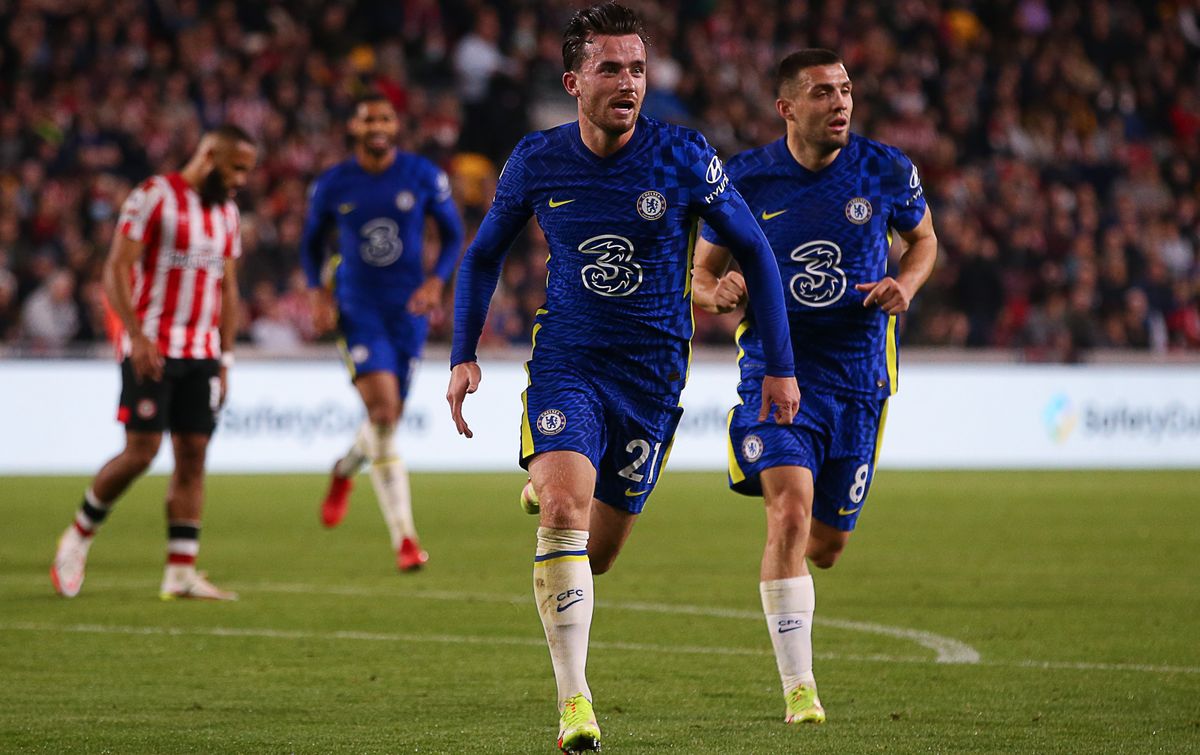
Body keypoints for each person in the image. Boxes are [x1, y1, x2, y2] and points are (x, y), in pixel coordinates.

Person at [446, 4, 800, 752]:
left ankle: (551, 481)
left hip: (652, 377)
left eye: (637, 68)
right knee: (567, 513)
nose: (628, 81)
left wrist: (779, 366)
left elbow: (758, 253)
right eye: (611, 68)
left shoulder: (683, 156)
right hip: (568, 362)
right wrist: (462, 352)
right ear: (574, 81)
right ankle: (575, 701)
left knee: (598, 552)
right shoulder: (537, 159)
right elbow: (483, 256)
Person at [692, 49, 939, 725]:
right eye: (824, 92)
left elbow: (924, 240)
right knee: (789, 512)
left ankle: (791, 575)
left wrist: (905, 284)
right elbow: (700, 272)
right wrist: (717, 290)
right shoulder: (743, 180)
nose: (841, 103)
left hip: (861, 380)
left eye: (847, 90)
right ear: (787, 107)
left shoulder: (885, 170)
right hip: (779, 371)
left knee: (825, 546)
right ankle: (800, 688)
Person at [50, 124, 258, 601]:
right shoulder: (153, 196)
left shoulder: (226, 212)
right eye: (237, 168)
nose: (242, 179)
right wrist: (135, 334)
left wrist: (225, 357)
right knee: (141, 452)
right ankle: (77, 538)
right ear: (209, 155)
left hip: (202, 352)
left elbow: (227, 288)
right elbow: (116, 268)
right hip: (153, 347)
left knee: (193, 457)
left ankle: (181, 571)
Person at [301, 94, 464, 571]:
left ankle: (344, 468)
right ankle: (406, 541)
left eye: (385, 118)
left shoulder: (422, 175)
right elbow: (311, 245)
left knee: (384, 421)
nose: (377, 125)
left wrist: (437, 281)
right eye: (368, 117)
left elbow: (453, 234)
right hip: (357, 306)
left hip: (408, 309)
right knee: (384, 410)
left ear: (396, 126)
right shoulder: (333, 184)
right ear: (353, 126)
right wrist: (316, 293)